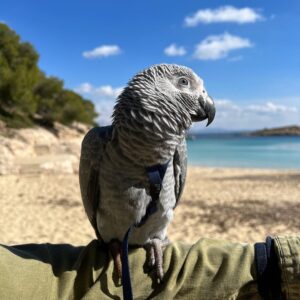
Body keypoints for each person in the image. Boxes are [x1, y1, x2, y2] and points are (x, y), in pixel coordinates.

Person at [0, 235, 298, 299]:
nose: (204, 98)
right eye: (185, 83)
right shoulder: (99, 143)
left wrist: (273, 264)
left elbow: (73, 279)